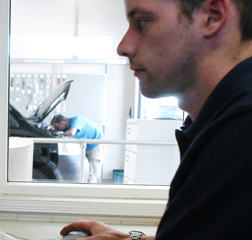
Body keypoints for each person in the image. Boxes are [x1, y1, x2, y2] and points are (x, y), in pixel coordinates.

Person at [60, 0, 252, 239]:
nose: (123, 47)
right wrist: (127, 239)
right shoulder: (218, 121)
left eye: (143, 22)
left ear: (211, 17)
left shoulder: (241, 134)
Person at [50, 114, 106, 183]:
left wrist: (60, 135)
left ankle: (92, 192)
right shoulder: (67, 127)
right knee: (87, 172)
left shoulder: (76, 120)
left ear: (62, 122)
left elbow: (72, 132)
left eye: (57, 127)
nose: (57, 129)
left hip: (97, 145)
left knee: (92, 173)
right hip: (88, 147)